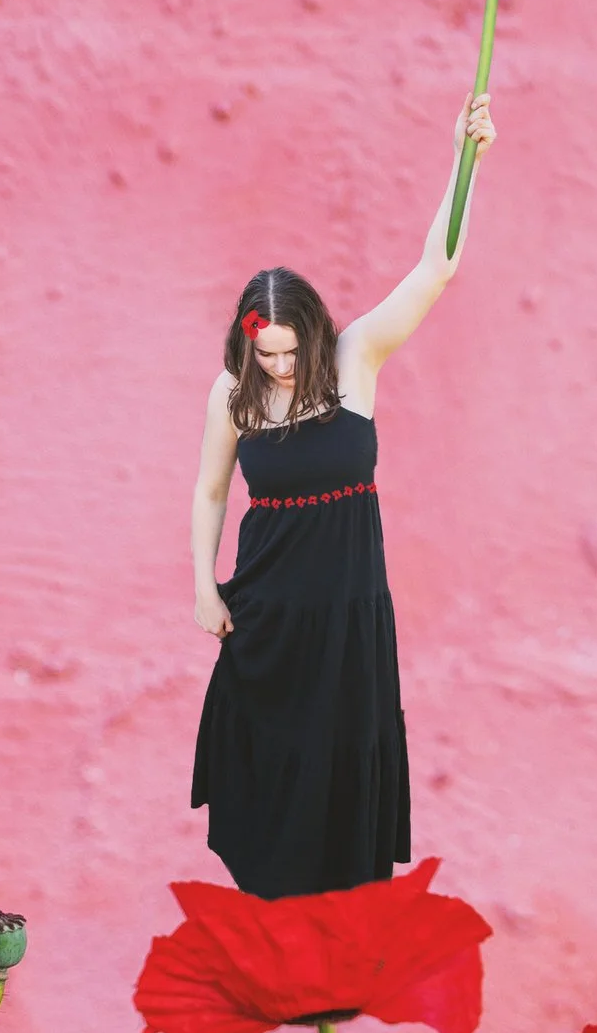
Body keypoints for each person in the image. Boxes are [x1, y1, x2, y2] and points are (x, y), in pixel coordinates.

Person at [189, 96, 498, 899]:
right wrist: (203, 585)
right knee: (271, 758)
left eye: (292, 352)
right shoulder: (232, 391)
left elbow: (437, 269)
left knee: (344, 747)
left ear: (315, 335)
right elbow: (211, 488)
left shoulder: (357, 357)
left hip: (351, 605)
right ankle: (276, 911)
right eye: (267, 354)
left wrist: (466, 158)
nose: (280, 367)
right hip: (270, 609)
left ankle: (336, 926)